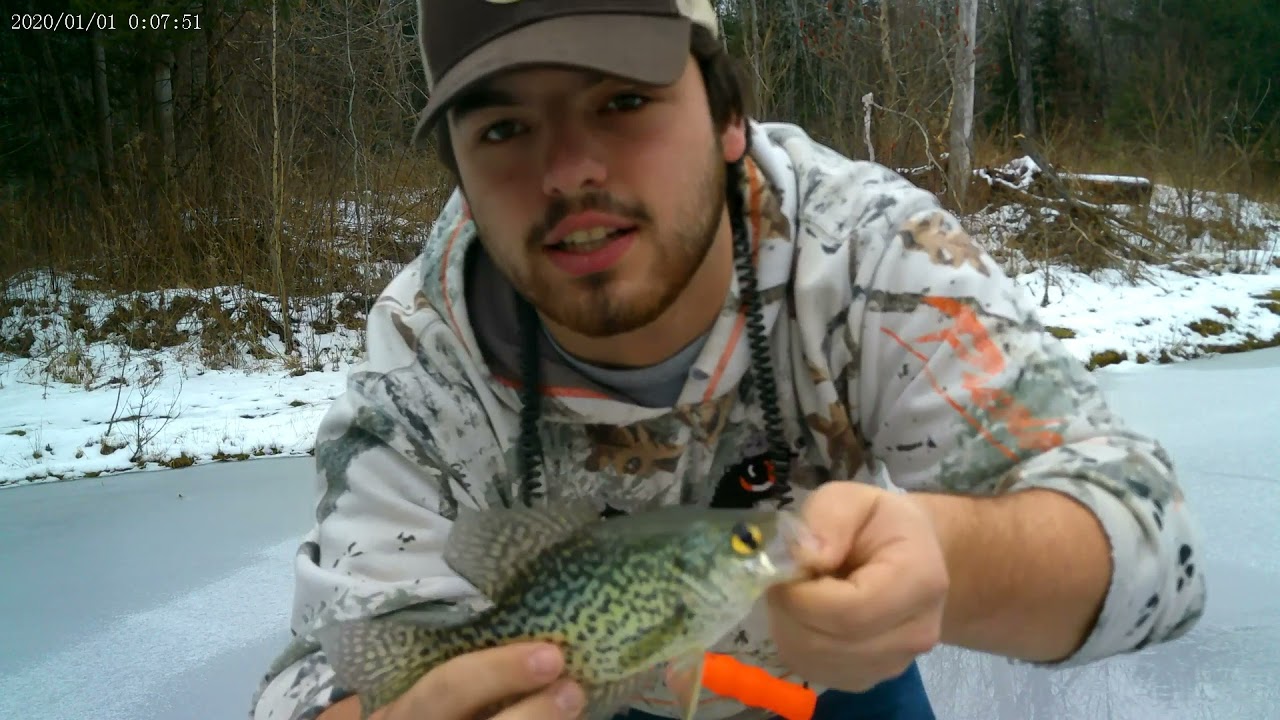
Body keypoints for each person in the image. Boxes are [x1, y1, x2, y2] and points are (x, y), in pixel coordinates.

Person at [250, 1, 1207, 718]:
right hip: (584, 696)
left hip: (828, 683)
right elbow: (320, 673)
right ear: (460, 175)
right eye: (503, 128)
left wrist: (950, 558)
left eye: (624, 100)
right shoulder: (423, 360)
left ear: (727, 118)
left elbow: (1156, 546)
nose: (569, 170)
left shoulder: (869, 253)